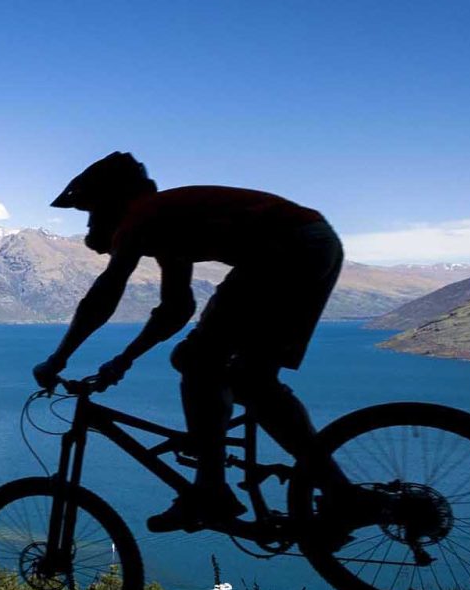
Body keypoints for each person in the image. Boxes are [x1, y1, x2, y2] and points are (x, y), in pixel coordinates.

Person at [32, 151, 346, 533]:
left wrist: (57, 359)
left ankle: (211, 490)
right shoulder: (167, 224)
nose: (90, 223)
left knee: (196, 360)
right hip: (316, 243)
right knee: (253, 382)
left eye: (91, 211)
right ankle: (342, 494)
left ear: (111, 202)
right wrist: (124, 359)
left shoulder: (142, 217)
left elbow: (104, 295)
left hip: (289, 249)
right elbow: (176, 309)